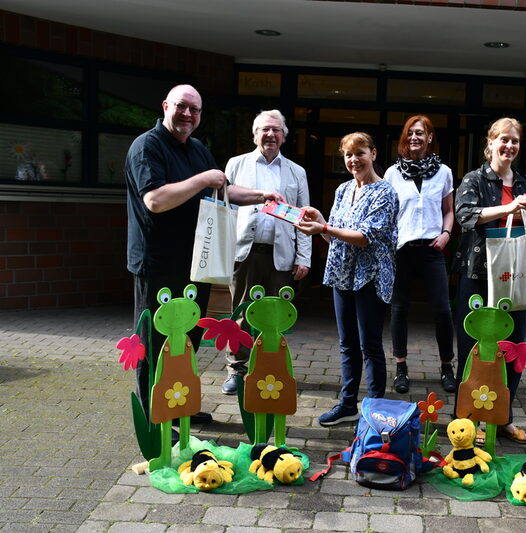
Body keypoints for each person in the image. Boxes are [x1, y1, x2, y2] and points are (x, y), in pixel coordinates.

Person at [125, 84, 284, 436]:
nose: (188, 115)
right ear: (166, 106)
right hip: (157, 263)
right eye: (182, 107)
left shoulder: (196, 149)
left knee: (188, 339)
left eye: (195, 110)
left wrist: (262, 194)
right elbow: (155, 200)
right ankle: (156, 416)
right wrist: (202, 180)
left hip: (194, 261)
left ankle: (178, 404)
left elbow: (223, 189)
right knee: (156, 341)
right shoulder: (146, 147)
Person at [296, 132, 399, 426]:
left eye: (360, 153)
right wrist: (320, 223)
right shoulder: (342, 190)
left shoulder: (386, 193)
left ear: (374, 154)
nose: (354, 160)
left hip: (370, 276)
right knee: (347, 344)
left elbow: (365, 238)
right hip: (342, 274)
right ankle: (347, 404)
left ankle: (376, 408)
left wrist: (324, 227)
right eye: (348, 155)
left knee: (370, 345)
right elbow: (335, 236)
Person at [453, 117, 526, 445]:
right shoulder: (475, 180)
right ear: (490, 143)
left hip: (516, 276)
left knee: (514, 347)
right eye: (503, 139)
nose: (509, 146)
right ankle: (467, 418)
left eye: (515, 141)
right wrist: (508, 208)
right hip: (479, 274)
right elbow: (465, 216)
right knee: (473, 347)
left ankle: (503, 417)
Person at [221, 110, 311, 395]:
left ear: (284, 136)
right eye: (264, 129)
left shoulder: (297, 172)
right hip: (244, 253)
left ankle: (269, 368)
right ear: (254, 134)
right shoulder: (236, 165)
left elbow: (303, 218)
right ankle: (236, 370)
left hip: (280, 255)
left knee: (274, 316)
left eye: (276, 130)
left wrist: (303, 257)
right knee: (241, 314)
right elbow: (223, 210)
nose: (270, 135)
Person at [384, 115, 456, 395]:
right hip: (401, 251)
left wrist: (446, 233)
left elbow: (448, 210)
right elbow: (389, 215)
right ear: (405, 138)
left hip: (432, 249)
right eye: (410, 133)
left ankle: (447, 365)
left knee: (442, 310)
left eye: (420, 133)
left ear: (429, 138)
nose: (415, 137)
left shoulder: (444, 172)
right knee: (400, 310)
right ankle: (401, 367)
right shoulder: (392, 173)